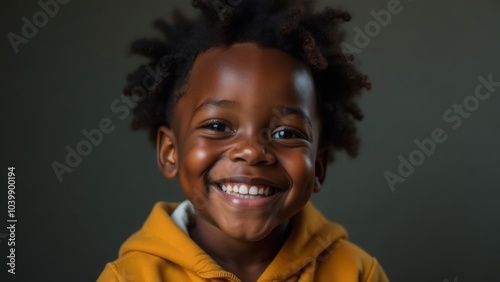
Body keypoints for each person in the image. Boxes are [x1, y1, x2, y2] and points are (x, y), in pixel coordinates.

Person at [98, 0, 389, 281]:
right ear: (170, 152)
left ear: (318, 166)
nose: (251, 152)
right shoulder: (130, 277)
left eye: (286, 133)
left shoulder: (356, 273)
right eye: (217, 126)